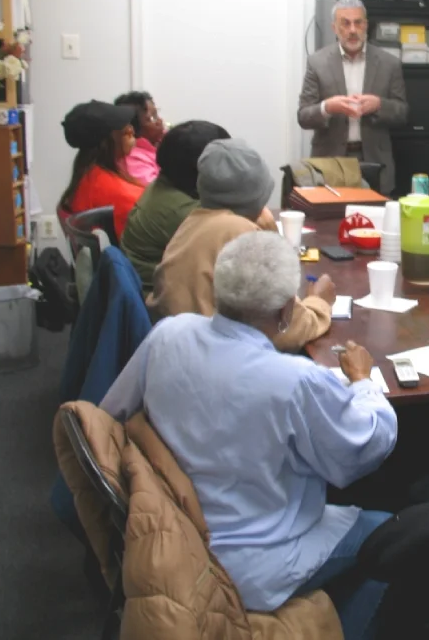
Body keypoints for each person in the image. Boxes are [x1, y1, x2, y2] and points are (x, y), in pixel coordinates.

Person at [101, 231, 398, 640]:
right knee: (396, 536)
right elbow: (363, 448)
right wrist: (364, 383)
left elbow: (109, 415)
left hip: (174, 539)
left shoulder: (168, 334)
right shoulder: (295, 381)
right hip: (254, 563)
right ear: (285, 313)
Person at [149, 137, 335, 352]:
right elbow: (286, 330)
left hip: (183, 351)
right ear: (257, 196)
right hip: (219, 362)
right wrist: (320, 303)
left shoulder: (193, 222)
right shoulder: (240, 234)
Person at [297, 0, 408, 194]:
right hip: (330, 162)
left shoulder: (389, 63)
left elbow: (402, 113)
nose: (352, 30)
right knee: (330, 221)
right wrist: (327, 108)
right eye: (345, 23)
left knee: (375, 222)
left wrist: (379, 105)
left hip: (374, 161)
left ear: (366, 25)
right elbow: (303, 116)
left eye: (358, 23)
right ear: (334, 27)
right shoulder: (317, 63)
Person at [121, 120, 230, 293]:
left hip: (155, 290)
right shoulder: (184, 212)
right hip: (161, 302)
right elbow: (233, 253)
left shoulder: (165, 185)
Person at [59, 100, 145, 239]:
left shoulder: (87, 174)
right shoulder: (110, 188)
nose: (131, 130)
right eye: (124, 128)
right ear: (106, 141)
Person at [115, 90, 165, 184]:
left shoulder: (160, 141)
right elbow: (157, 191)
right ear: (133, 128)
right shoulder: (133, 159)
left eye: (156, 114)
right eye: (152, 118)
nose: (160, 121)